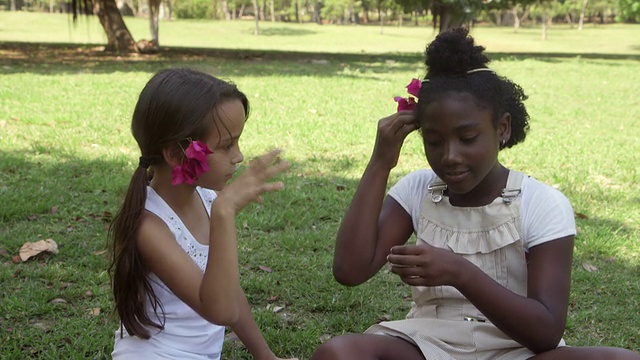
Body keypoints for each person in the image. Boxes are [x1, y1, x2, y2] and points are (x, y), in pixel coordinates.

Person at [312, 28, 640, 360]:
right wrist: (381, 161)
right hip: (428, 346)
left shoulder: (542, 203)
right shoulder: (417, 190)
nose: (450, 156)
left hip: (517, 351)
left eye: (467, 138)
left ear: (502, 128)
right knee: (338, 353)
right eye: (434, 141)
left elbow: (546, 333)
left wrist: (459, 272)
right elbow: (350, 270)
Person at [108, 68, 296, 360]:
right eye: (226, 145)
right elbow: (220, 310)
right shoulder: (149, 226)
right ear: (175, 154)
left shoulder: (208, 200)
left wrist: (266, 356)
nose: (239, 156)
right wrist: (224, 212)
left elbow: (229, 292)